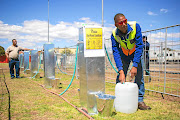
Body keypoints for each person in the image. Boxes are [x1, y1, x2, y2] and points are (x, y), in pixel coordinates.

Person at [111, 13, 151, 110]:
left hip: (135, 53)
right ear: (116, 25)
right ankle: (119, 99)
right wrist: (121, 71)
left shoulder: (135, 27)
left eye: (125, 21)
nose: (124, 24)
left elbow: (140, 46)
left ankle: (139, 101)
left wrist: (135, 65)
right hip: (124, 54)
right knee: (120, 77)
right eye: (121, 23)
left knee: (139, 76)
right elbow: (115, 52)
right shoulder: (114, 35)